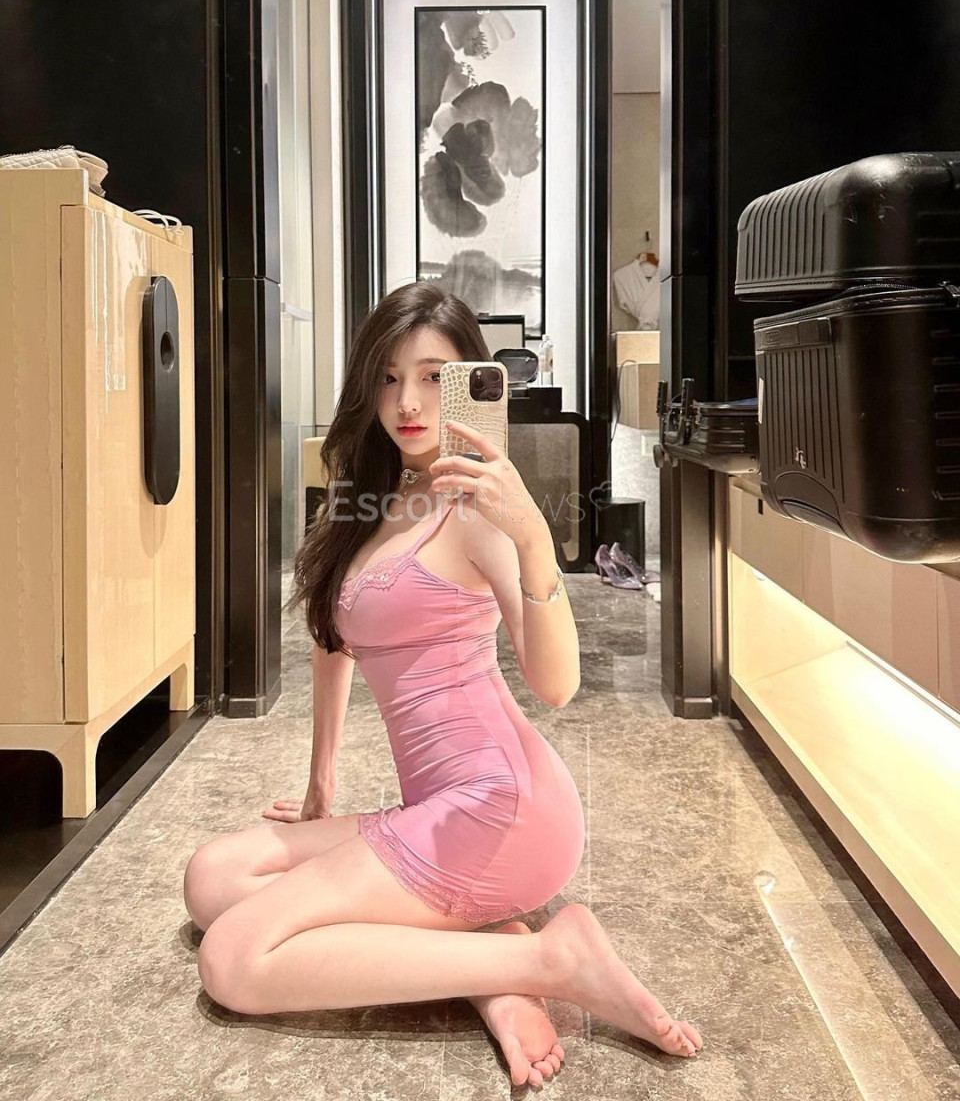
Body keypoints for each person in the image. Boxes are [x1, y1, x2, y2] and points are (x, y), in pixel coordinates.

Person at [182, 282, 702, 1086]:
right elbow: (332, 640)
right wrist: (320, 784)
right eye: (388, 378)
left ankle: (550, 961)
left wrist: (531, 535)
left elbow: (556, 685)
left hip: (502, 809)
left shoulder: (474, 510)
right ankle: (492, 953)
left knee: (234, 959)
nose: (407, 402)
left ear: (469, 383)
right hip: (432, 810)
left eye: (433, 378)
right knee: (213, 880)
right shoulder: (367, 497)